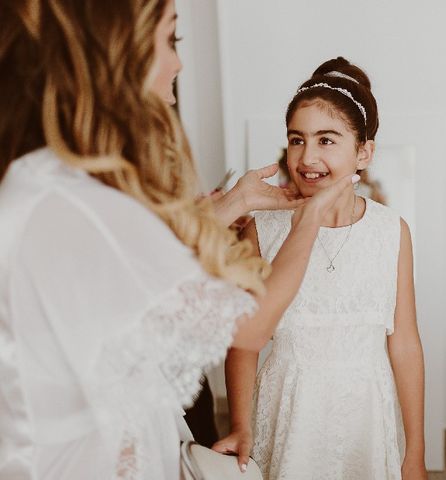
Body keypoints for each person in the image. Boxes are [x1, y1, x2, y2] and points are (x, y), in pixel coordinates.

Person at [0, 2, 358, 479]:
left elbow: (139, 268)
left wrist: (233, 202)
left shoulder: (70, 182)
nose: (179, 63)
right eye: (171, 40)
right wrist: (311, 215)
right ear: (115, 49)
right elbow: (248, 329)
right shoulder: (76, 202)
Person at [214, 57, 428, 480]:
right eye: (297, 139)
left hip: (366, 415)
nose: (307, 156)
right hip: (289, 412)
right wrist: (240, 424)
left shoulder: (391, 231)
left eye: (326, 140)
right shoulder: (264, 228)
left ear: (363, 151)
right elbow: (244, 343)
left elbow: (404, 343)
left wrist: (415, 451)